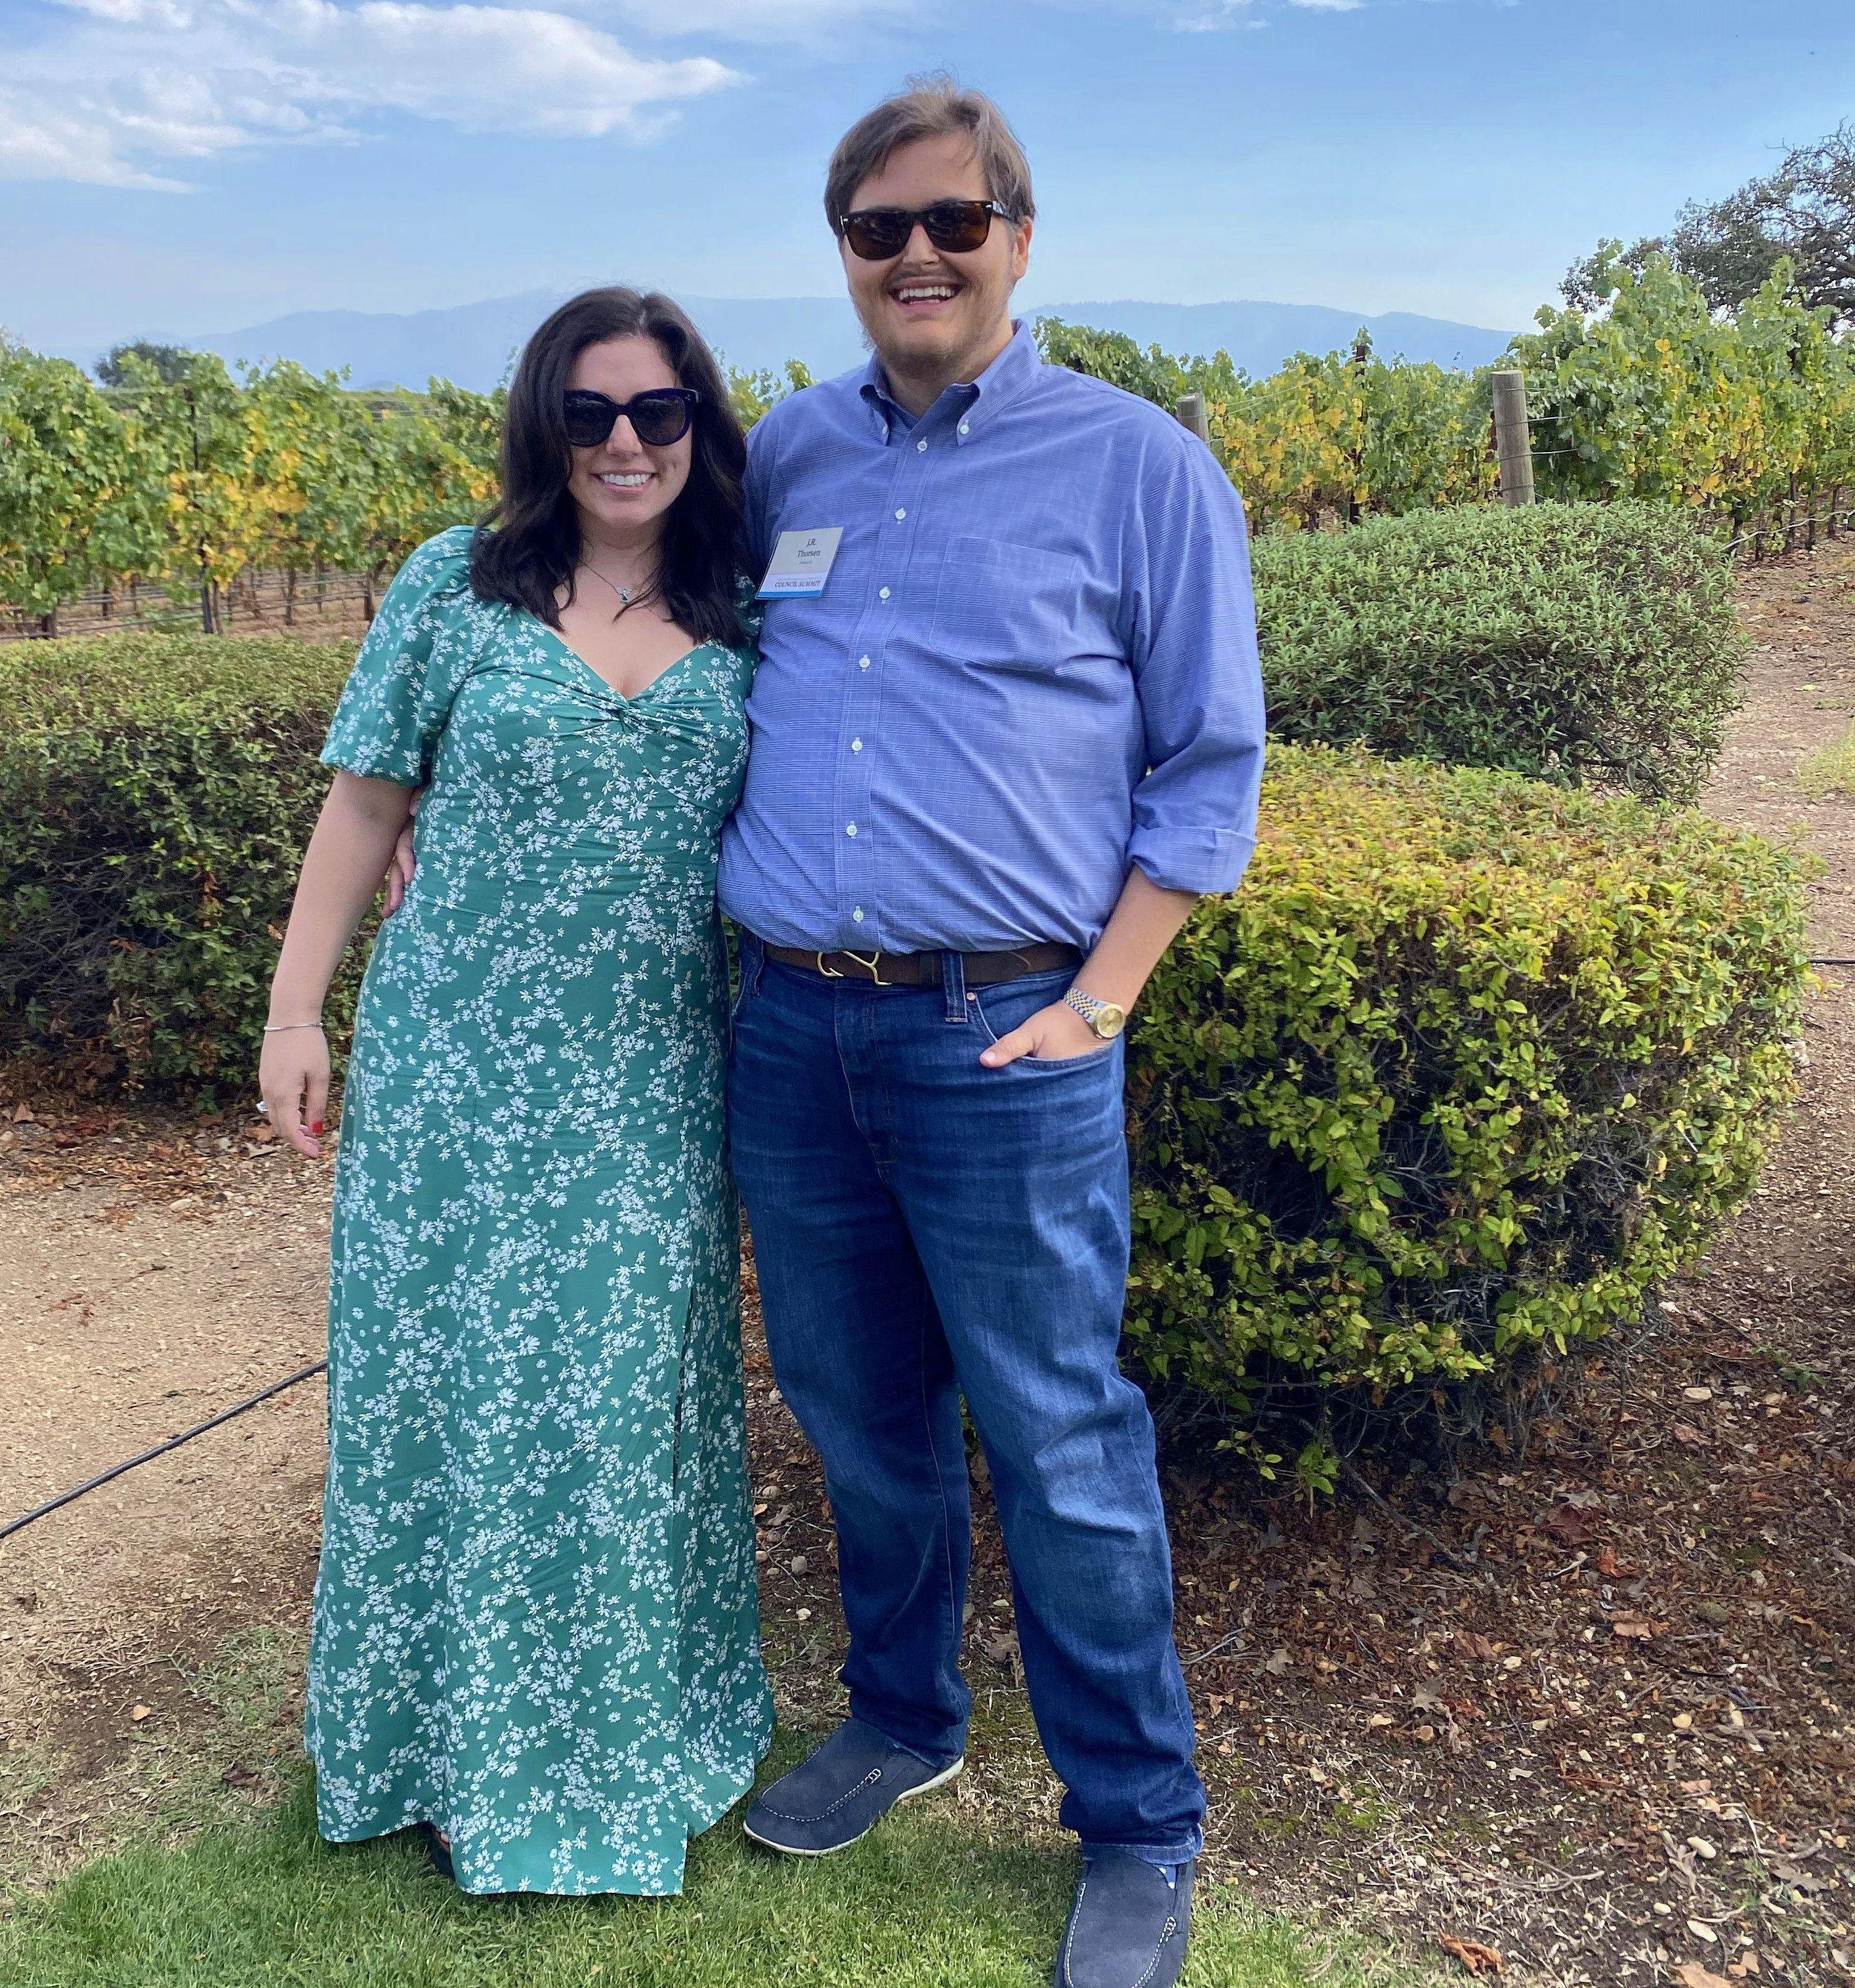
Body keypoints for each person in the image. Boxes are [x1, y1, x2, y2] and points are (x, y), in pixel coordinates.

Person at [718, 80, 1264, 1988]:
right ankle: (900, 1712)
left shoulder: (1135, 467)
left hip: (1004, 1032)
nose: (918, 258)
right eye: (879, 231)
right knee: (856, 1414)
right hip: (793, 1031)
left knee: (1058, 1439)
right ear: (843, 255)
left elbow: (1207, 767)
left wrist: (1097, 997)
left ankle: (1135, 1823)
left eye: (954, 222)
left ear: (1018, 238)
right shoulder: (782, 455)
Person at [259, 286, 772, 1897]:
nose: (625, 441)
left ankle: (612, 1747)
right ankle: (430, 1744)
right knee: (451, 1401)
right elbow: (364, 806)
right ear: (543, 428)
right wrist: (296, 1008)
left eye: (659, 412)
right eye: (589, 412)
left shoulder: (757, 603)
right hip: (458, 1080)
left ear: (701, 427)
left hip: (652, 1079)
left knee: (618, 1412)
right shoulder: (451, 588)